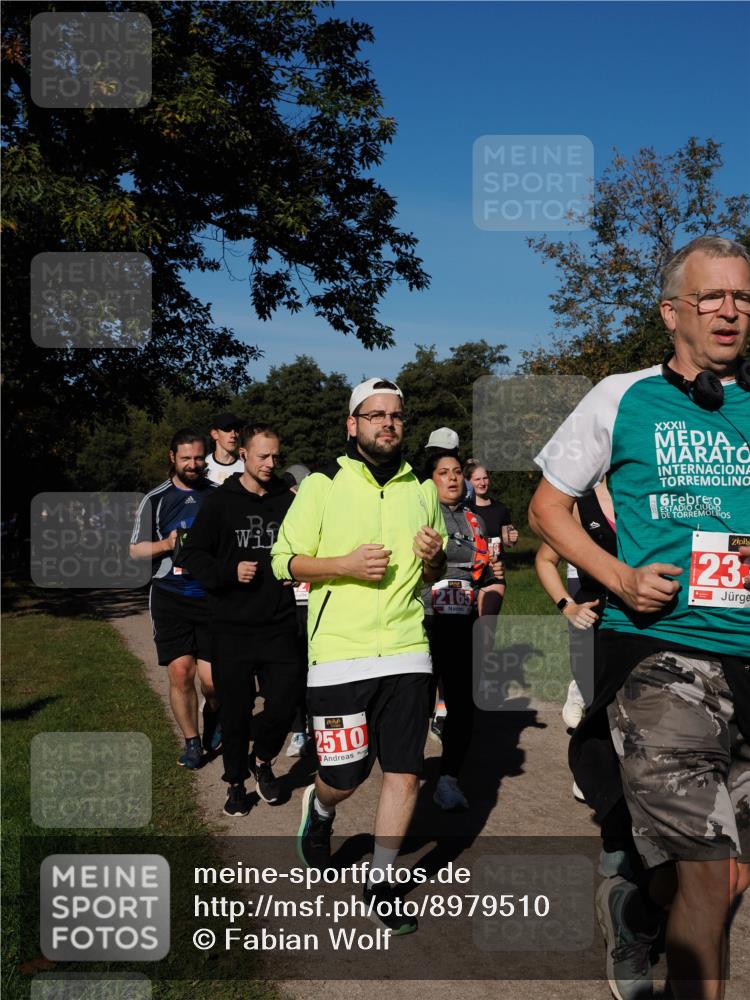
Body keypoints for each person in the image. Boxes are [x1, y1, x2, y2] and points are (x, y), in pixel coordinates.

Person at [529, 235, 750, 1000]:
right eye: (712, 297)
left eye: (743, 297)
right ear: (671, 313)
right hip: (661, 656)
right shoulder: (621, 396)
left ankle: (637, 908)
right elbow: (547, 509)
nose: (731, 310)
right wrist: (618, 574)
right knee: (710, 872)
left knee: (728, 880)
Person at [271, 377, 447, 936]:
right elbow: (284, 560)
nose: (387, 424)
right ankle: (320, 809)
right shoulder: (322, 486)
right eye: (375, 415)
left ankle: (383, 880)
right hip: (340, 655)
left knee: (405, 772)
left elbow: (436, 574)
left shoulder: (421, 491)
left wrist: (436, 558)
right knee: (344, 774)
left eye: (395, 415)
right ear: (352, 425)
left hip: (406, 649)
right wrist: (343, 566)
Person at [179, 425, 306, 818]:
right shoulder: (220, 502)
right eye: (263, 456)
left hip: (279, 620)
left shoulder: (289, 500)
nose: (270, 464)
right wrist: (229, 571)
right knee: (235, 710)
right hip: (231, 624)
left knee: (286, 702)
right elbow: (193, 556)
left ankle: (262, 759)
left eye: (275, 457)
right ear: (245, 457)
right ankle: (235, 782)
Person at [129, 428, 220, 769]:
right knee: (181, 672)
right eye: (186, 458)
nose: (194, 464)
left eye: (199, 458)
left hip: (212, 597)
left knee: (213, 682)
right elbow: (136, 550)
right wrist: (167, 544)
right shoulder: (156, 499)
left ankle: (214, 718)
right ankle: (192, 742)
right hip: (171, 595)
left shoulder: (219, 495)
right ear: (172, 458)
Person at [422, 450, 505, 810]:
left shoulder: (476, 521)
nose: (453, 478)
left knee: (462, 704)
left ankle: (448, 778)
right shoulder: (420, 517)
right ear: (431, 480)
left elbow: (483, 572)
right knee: (415, 703)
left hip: (463, 620)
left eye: (458, 472)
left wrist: (492, 577)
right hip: (424, 621)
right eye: (444, 473)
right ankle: (407, 773)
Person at [205, 411, 244, 485]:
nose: (233, 435)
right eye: (227, 429)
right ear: (215, 434)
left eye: (237, 430)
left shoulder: (246, 468)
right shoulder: (203, 465)